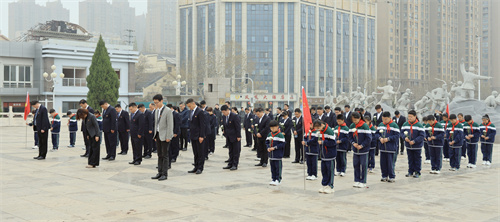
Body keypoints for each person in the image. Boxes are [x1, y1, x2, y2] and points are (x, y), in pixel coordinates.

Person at [151, 94, 174, 180]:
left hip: (165, 136)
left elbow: (170, 125)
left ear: (161, 101)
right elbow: (156, 124)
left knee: (165, 155)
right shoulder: (157, 110)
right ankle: (159, 172)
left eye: (157, 102)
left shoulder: (168, 111)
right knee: (159, 154)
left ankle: (165, 173)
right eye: (154, 103)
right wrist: (155, 135)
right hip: (158, 135)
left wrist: (169, 136)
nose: (155, 104)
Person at [348, 112, 372, 188]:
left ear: (359, 118)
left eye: (355, 120)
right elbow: (349, 136)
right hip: (355, 149)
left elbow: (369, 138)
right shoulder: (352, 126)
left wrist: (362, 145)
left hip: (363, 150)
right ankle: (356, 180)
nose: (354, 121)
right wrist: (353, 143)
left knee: (363, 165)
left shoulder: (364, 125)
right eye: (353, 120)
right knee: (356, 165)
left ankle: (363, 181)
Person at [314, 120, 336, 194]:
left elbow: (333, 142)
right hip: (323, 155)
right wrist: (307, 143)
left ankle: (331, 186)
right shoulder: (320, 132)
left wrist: (323, 142)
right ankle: (324, 184)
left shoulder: (329, 131)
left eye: (318, 127)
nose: (318, 129)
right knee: (324, 170)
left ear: (322, 125)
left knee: (330, 170)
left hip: (330, 154)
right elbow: (315, 140)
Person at [401, 110, 425, 178]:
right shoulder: (405, 124)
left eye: (411, 117)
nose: (409, 118)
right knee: (410, 159)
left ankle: (417, 172)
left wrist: (414, 141)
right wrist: (404, 138)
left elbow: (422, 136)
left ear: (415, 117)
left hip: (417, 146)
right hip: (408, 145)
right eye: (408, 117)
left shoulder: (419, 125)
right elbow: (401, 132)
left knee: (417, 159)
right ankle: (410, 171)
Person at [378, 111, 400, 182]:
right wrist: (380, 138)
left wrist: (388, 139)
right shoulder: (381, 124)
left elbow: (397, 136)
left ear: (390, 118)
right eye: (383, 119)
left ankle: (391, 176)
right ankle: (384, 175)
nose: (384, 121)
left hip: (391, 148)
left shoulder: (394, 125)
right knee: (383, 163)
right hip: (382, 148)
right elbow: (376, 134)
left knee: (390, 163)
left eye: (386, 119)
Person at [186, 98, 206, 174]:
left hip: (199, 136)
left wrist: (202, 136)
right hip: (193, 135)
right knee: (195, 152)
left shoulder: (200, 112)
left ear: (193, 103)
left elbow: (202, 125)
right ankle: (196, 166)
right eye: (188, 106)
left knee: (200, 152)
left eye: (190, 106)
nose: (189, 108)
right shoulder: (191, 112)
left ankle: (200, 168)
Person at [221, 105, 241, 170]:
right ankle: (230, 164)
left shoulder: (234, 116)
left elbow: (238, 127)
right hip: (228, 136)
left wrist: (238, 136)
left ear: (227, 110)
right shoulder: (224, 117)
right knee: (230, 151)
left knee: (236, 151)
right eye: (222, 112)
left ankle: (235, 164)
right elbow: (224, 125)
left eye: (224, 112)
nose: (223, 114)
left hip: (235, 136)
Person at [266, 120, 285, 186]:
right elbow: (267, 142)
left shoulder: (280, 135)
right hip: (271, 155)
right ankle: (273, 179)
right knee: (272, 167)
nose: (272, 129)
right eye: (271, 128)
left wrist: (275, 148)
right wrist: (268, 147)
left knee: (278, 167)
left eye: (274, 128)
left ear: (277, 127)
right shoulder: (269, 134)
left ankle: (278, 179)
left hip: (277, 155)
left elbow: (282, 144)